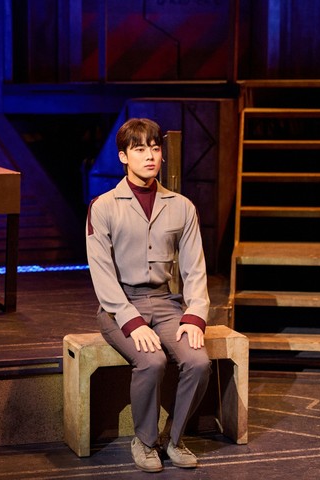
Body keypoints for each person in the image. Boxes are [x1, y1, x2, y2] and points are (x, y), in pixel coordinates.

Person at [85, 118, 211, 473]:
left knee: (199, 362)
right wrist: (132, 321)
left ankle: (175, 438)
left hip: (166, 302)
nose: (150, 156)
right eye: (139, 149)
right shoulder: (104, 206)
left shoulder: (181, 206)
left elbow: (195, 269)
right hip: (119, 306)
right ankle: (144, 440)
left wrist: (195, 316)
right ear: (123, 156)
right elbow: (102, 274)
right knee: (152, 361)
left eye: (155, 148)